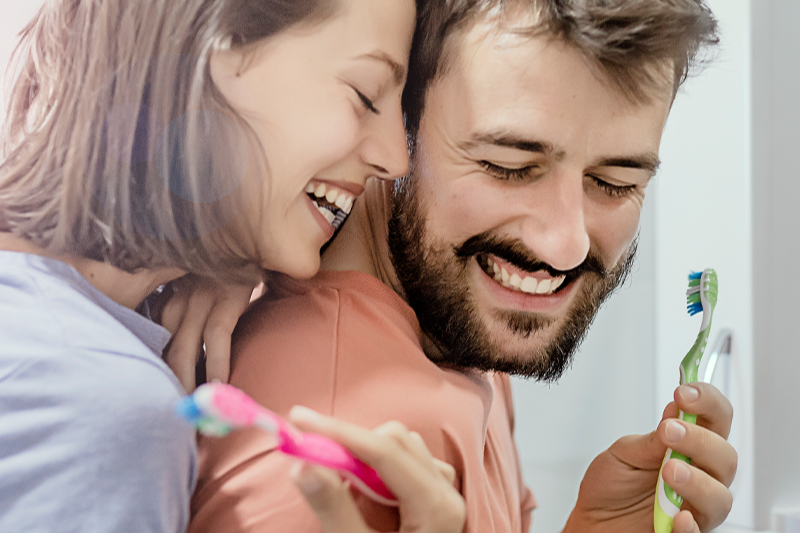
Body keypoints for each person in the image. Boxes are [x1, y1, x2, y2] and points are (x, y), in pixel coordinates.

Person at [189, 0, 738, 532]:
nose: (564, 246)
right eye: (509, 167)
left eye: (615, 183)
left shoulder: (460, 324)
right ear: (391, 125)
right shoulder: (340, 450)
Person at [0, 0, 465, 531]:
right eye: (364, 94)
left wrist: (223, 249)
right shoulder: (104, 410)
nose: (396, 159)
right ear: (209, 52)